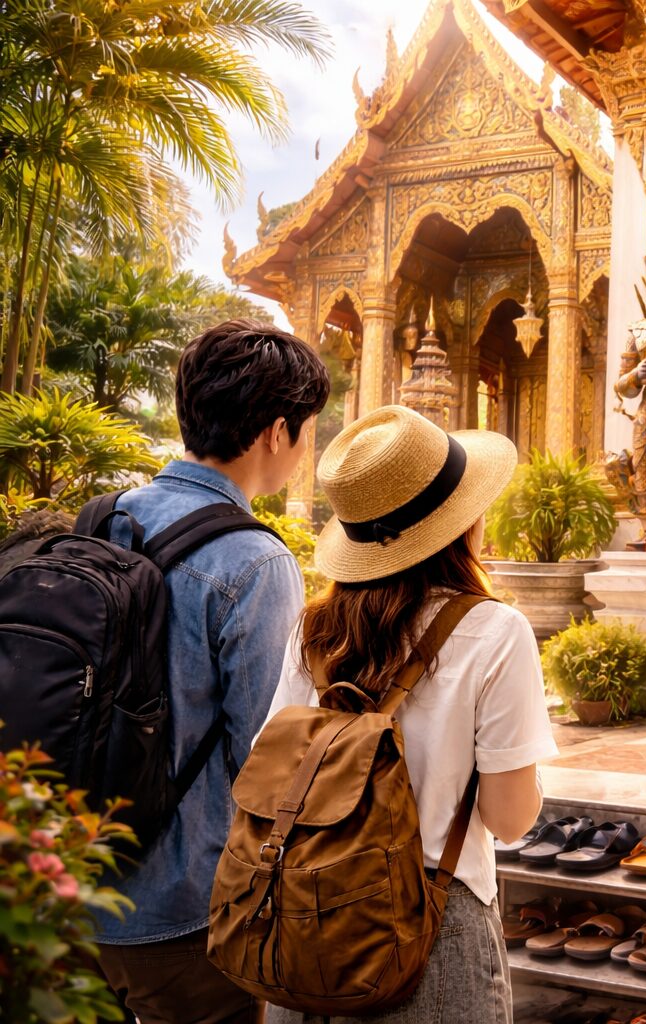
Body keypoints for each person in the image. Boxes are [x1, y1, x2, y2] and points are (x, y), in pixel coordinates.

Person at [265, 404, 555, 1023]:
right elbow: (508, 820)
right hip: (431, 928)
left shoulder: (314, 631)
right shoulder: (493, 631)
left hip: (306, 915)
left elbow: (272, 770)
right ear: (459, 523)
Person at [94, 319, 331, 1023]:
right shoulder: (255, 561)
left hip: (68, 893)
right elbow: (269, 760)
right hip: (182, 912)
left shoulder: (104, 518)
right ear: (275, 432)